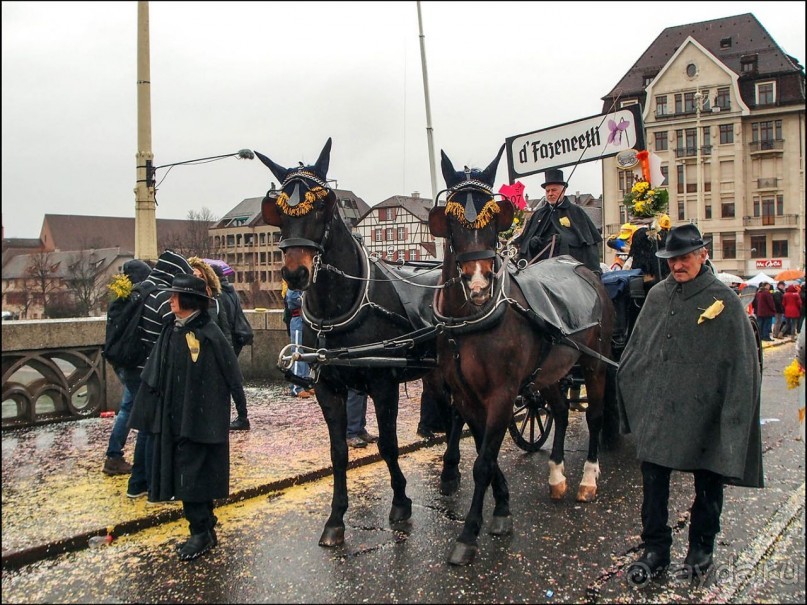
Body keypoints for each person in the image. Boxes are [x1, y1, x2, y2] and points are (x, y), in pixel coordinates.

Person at [617, 224, 763, 585]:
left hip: (705, 411)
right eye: (671, 260)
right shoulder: (657, 295)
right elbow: (638, 349)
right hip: (662, 409)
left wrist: (732, 417)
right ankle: (655, 550)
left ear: (703, 255)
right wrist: (628, 385)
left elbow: (743, 366)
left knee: (708, 482)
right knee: (652, 479)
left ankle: (701, 548)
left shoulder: (723, 300)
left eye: (684, 258)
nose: (677, 266)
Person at [129, 274, 246, 561]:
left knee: (193, 473)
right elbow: (155, 373)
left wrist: (241, 412)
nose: (169, 301)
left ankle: (200, 531)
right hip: (173, 417)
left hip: (200, 419)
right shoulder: (172, 329)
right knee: (185, 472)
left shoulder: (209, 332)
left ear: (189, 300)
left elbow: (232, 374)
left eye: (174, 296)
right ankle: (204, 526)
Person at [126, 250, 194, 499]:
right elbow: (177, 331)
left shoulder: (139, 291)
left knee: (145, 426)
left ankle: (138, 482)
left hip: (135, 366)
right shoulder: (163, 298)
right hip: (155, 371)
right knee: (155, 430)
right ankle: (152, 483)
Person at [102, 259, 152, 476]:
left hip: (120, 362)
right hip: (135, 363)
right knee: (141, 410)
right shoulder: (137, 299)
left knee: (128, 407)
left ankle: (114, 456)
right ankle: (119, 457)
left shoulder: (119, 300)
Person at [513, 168, 602, 274]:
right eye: (547, 191)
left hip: (568, 270)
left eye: (554, 190)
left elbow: (588, 244)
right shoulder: (538, 214)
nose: (550, 194)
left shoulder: (576, 212)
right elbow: (524, 244)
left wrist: (564, 240)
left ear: (563, 191)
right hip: (540, 269)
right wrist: (531, 244)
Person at [208, 263, 253, 430]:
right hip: (238, 336)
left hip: (229, 340)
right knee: (233, 380)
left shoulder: (218, 295)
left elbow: (223, 322)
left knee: (230, 380)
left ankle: (240, 417)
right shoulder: (231, 290)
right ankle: (242, 416)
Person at [285, 286, 313, 398]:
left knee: (307, 354)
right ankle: (296, 387)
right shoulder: (295, 283)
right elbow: (291, 298)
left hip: (306, 319)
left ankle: (305, 383)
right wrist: (307, 300)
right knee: (297, 353)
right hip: (298, 319)